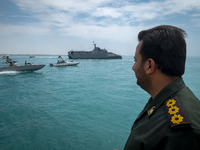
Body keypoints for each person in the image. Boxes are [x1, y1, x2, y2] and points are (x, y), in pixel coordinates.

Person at [124, 25, 200, 150]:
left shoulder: (180, 131)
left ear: (149, 65)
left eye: (135, 60)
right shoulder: (164, 100)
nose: (133, 67)